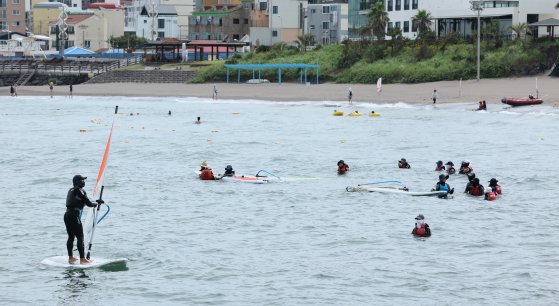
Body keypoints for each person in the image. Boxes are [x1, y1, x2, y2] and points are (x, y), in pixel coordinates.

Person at [64, 175, 103, 265]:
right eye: (82, 180)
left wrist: (94, 203)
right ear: (77, 181)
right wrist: (96, 204)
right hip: (74, 215)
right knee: (80, 237)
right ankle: (82, 260)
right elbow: (88, 203)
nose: (84, 181)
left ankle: (70, 258)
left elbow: (79, 202)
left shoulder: (71, 190)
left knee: (71, 237)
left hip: (67, 215)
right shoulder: (79, 190)